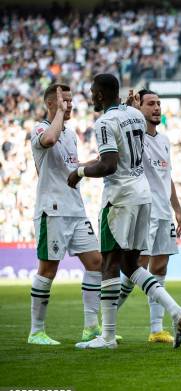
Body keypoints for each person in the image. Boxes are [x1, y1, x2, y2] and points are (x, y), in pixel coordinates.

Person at [68, 73, 181, 349]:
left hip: (120, 198)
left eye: (92, 92)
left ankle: (108, 337)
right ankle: (177, 311)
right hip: (143, 195)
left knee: (110, 264)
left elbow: (108, 165)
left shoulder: (104, 122)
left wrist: (79, 172)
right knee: (130, 265)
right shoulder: (135, 117)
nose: (90, 96)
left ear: (100, 94)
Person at [28, 83, 103, 345]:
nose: (69, 105)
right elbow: (49, 140)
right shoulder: (39, 130)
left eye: (70, 101)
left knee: (96, 263)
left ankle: (91, 328)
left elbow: (72, 167)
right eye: (64, 101)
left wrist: (96, 164)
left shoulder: (70, 134)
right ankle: (36, 331)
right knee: (48, 270)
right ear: (51, 103)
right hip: (53, 211)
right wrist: (59, 113)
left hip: (76, 210)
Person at [115, 89, 181, 344]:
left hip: (164, 212)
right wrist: (129, 108)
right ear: (140, 108)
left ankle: (156, 330)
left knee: (160, 267)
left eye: (159, 103)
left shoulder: (165, 140)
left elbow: (167, 178)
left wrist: (178, 210)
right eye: (150, 104)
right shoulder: (137, 138)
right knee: (137, 266)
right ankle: (108, 318)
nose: (157, 108)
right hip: (144, 211)